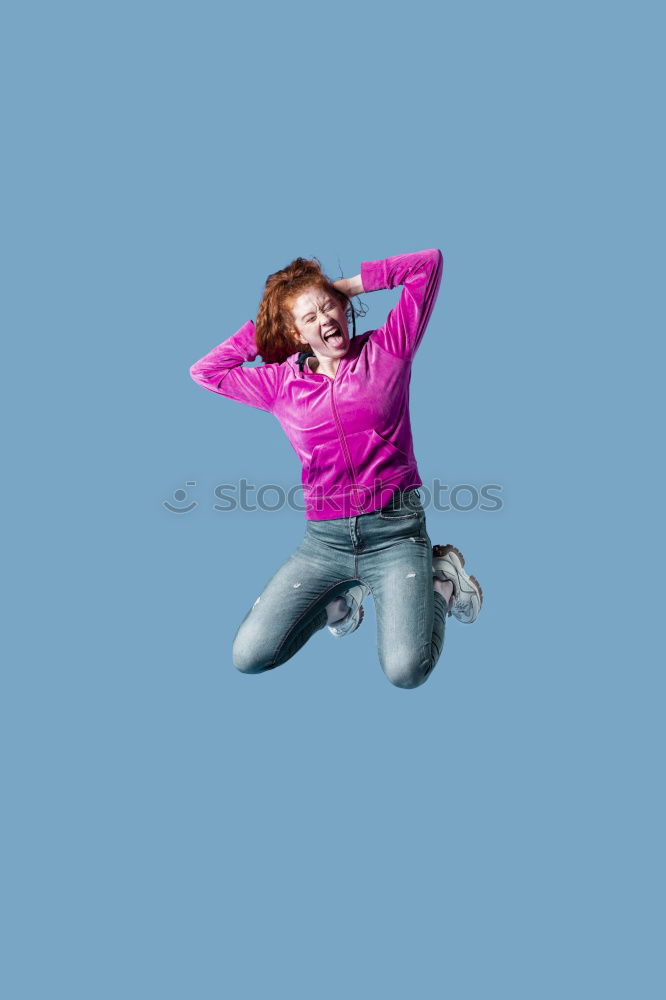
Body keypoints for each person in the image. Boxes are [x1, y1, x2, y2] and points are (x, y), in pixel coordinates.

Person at [189, 248, 483, 689]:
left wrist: (347, 287)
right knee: (249, 656)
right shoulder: (279, 384)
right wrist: (267, 334)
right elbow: (205, 372)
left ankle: (443, 584)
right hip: (323, 543)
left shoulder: (388, 349)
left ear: (343, 308)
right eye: (309, 318)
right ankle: (340, 603)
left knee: (406, 670)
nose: (326, 319)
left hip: (396, 534)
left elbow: (430, 265)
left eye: (329, 307)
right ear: (295, 333)